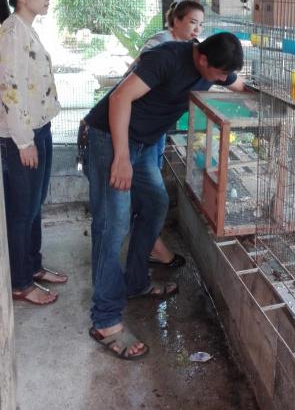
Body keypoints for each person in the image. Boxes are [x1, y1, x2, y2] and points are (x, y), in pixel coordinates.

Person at [83, 32, 245, 359]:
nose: (221, 81)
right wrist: (121, 158)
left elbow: (239, 85)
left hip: (143, 143)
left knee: (156, 204)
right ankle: (105, 320)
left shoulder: (216, 64)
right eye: (217, 74)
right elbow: (119, 99)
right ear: (202, 59)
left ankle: (135, 283)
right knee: (112, 226)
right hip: (109, 139)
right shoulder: (167, 58)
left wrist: (285, 102)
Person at [0, 0, 67, 306]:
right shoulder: (12, 33)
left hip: (40, 128)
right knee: (21, 211)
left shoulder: (26, 29)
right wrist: (24, 141)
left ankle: (34, 265)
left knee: (34, 204)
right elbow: (9, 90)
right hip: (20, 138)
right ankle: (20, 283)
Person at [139, 0, 204, 268]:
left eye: (200, 24)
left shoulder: (185, 47)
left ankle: (150, 244)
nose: (197, 29)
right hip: (141, 127)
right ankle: (152, 247)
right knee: (151, 194)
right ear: (175, 21)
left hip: (155, 127)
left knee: (152, 189)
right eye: (192, 22)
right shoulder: (161, 45)